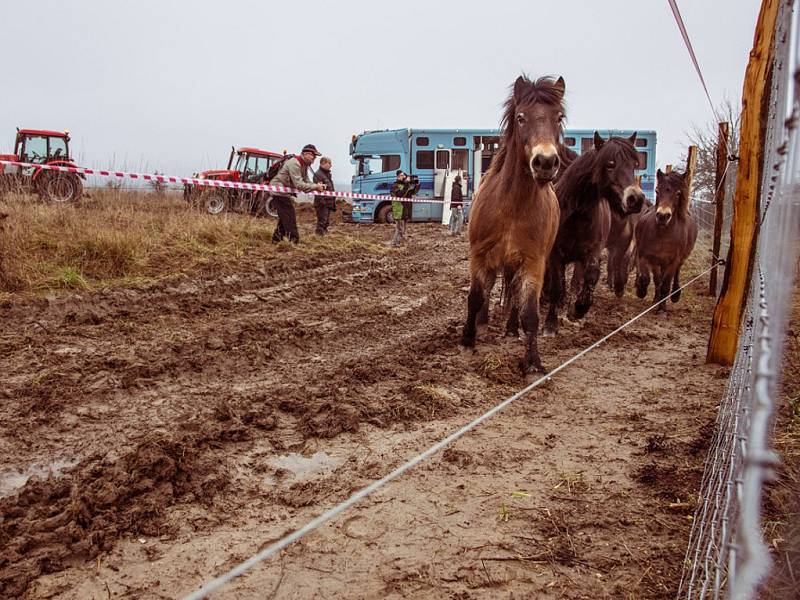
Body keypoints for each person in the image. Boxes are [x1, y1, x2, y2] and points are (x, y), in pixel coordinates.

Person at [270, 144, 326, 243]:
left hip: (284, 192)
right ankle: (294, 241)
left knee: (285, 217)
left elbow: (306, 181)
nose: (314, 159)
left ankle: (276, 239)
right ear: (307, 154)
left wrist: (316, 186)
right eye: (314, 156)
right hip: (279, 192)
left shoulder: (303, 165)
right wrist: (315, 187)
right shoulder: (295, 163)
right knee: (290, 217)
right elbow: (299, 184)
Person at [389, 170, 420, 247]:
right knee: (400, 230)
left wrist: (417, 185)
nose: (404, 177)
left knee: (403, 230)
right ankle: (395, 244)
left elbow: (413, 192)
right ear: (398, 176)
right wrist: (406, 184)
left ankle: (398, 244)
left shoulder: (405, 186)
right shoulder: (394, 186)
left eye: (404, 175)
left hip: (405, 210)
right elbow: (400, 195)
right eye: (402, 175)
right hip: (399, 210)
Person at [312, 157, 336, 235]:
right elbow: (318, 190)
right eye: (329, 163)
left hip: (328, 202)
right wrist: (321, 201)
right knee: (322, 221)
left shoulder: (327, 175)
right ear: (323, 163)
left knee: (326, 222)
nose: (331, 165)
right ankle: (319, 237)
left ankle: (324, 234)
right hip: (322, 203)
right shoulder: (318, 175)